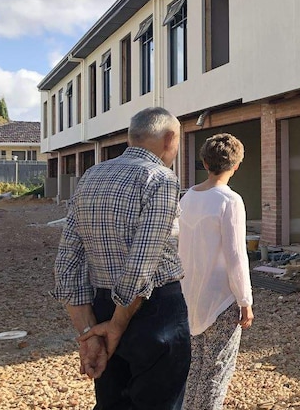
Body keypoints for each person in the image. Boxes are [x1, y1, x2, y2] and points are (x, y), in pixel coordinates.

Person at [54, 107, 190, 409]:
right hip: (155, 312)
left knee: (112, 403)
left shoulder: (91, 176)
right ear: (169, 139)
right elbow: (143, 260)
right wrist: (116, 325)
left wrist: (89, 333)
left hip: (101, 307)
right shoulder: (161, 178)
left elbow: (68, 261)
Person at [179, 133, 254, 410]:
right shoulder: (230, 200)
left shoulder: (187, 197)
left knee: (194, 367)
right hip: (221, 299)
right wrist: (245, 301)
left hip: (189, 295)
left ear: (204, 162)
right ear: (236, 165)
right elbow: (236, 255)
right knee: (216, 370)